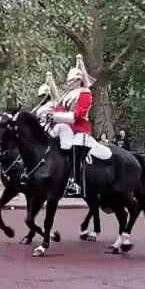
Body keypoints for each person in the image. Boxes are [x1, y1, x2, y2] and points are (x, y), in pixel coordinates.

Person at [43, 55, 111, 195]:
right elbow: (60, 110)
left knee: (74, 148)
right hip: (66, 128)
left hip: (80, 130)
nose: (68, 83)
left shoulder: (85, 93)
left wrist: (56, 116)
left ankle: (74, 181)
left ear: (78, 80)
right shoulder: (67, 95)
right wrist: (50, 116)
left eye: (71, 80)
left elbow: (78, 115)